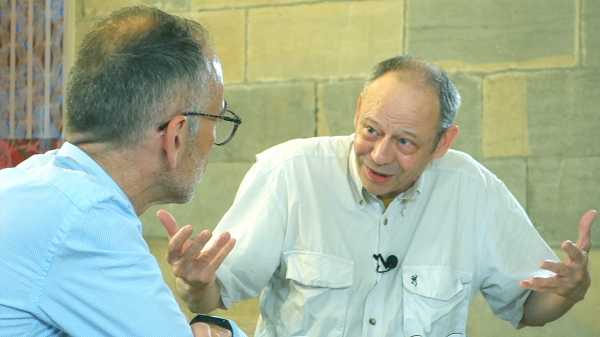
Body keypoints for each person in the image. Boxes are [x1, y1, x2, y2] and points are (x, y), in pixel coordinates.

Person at [160, 55, 596, 337]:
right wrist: (197, 285)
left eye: (406, 142)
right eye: (371, 130)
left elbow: (529, 309)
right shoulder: (289, 173)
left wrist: (570, 292)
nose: (381, 155)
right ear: (357, 112)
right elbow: (212, 300)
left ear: (443, 143)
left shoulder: (472, 190)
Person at [0, 6, 246, 337]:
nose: (214, 140)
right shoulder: (86, 218)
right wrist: (217, 330)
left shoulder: (33, 183)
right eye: (217, 120)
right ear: (176, 136)